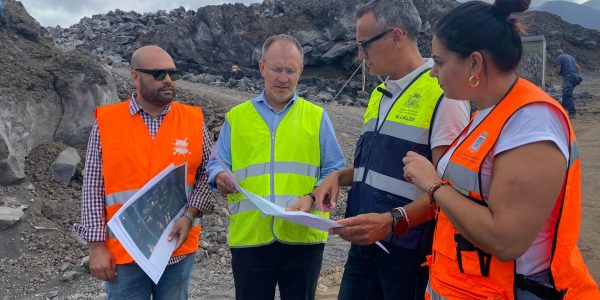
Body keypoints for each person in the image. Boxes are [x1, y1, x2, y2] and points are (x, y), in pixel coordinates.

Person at [332, 0, 600, 298]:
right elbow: (460, 200)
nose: (432, 73)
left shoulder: (532, 123)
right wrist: (398, 218)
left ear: (474, 63)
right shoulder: (484, 116)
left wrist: (432, 184)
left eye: (440, 62)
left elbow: (506, 241)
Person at [314, 0, 470, 299]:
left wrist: (392, 222)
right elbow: (378, 165)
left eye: (364, 45)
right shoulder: (380, 93)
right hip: (364, 246)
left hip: (408, 258)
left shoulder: (444, 94)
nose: (360, 55)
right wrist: (338, 176)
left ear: (396, 37)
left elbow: (452, 191)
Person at [206, 34, 345, 300]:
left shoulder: (317, 117)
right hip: (250, 239)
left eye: (291, 71)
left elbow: (333, 171)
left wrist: (311, 198)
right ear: (262, 68)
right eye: (276, 69)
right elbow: (215, 164)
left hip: (303, 240)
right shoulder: (237, 117)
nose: (283, 78)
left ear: (301, 71)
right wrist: (220, 176)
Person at [74, 45, 215, 300]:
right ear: (135, 76)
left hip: (176, 249)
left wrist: (191, 213)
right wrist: (96, 247)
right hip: (124, 253)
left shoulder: (193, 120)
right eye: (159, 74)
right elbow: (93, 186)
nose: (169, 80)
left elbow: (209, 173)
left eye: (173, 73)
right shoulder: (107, 122)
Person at [555, 49, 581, 117]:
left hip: (568, 77)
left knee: (567, 95)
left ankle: (572, 112)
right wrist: (577, 75)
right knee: (565, 94)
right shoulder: (571, 57)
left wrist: (556, 74)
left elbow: (558, 70)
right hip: (574, 77)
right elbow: (578, 68)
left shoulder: (559, 57)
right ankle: (563, 110)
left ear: (557, 54)